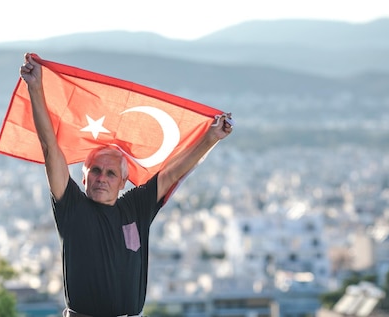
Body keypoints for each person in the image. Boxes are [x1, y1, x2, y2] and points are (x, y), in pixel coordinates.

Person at [19, 53, 233, 317]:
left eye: (111, 174)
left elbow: (171, 173)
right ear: (84, 178)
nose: (102, 178)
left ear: (123, 182)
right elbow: (51, 149)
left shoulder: (135, 208)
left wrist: (211, 138)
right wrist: (36, 88)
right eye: (95, 171)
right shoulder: (71, 207)